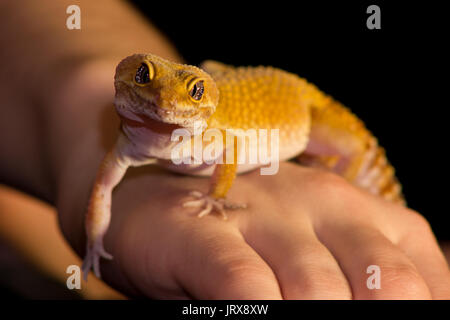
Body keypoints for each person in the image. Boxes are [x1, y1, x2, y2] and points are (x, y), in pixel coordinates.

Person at [0, 0, 448, 299]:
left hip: (308, 109)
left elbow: (230, 151)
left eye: (189, 93)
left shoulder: (232, 126)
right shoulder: (143, 123)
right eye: (144, 79)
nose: (164, 99)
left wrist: (316, 170)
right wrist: (76, 134)